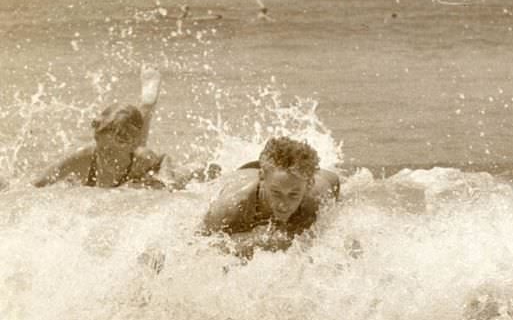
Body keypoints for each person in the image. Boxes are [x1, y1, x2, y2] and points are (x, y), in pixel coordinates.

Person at [32, 65, 218, 190]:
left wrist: (166, 179)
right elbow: (39, 182)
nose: (107, 154)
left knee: (179, 180)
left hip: (137, 167)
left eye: (113, 151)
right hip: (127, 152)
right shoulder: (83, 157)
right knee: (129, 130)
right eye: (104, 148)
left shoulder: (140, 157)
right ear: (97, 137)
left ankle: (204, 167)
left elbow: (163, 159)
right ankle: (147, 103)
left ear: (130, 147)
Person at [202, 136, 340, 255]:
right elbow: (200, 246)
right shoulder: (231, 205)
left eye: (293, 195)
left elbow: (334, 179)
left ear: (309, 184)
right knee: (207, 175)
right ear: (261, 178)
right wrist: (256, 240)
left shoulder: (317, 196)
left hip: (280, 174)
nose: (283, 204)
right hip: (241, 176)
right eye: (276, 193)